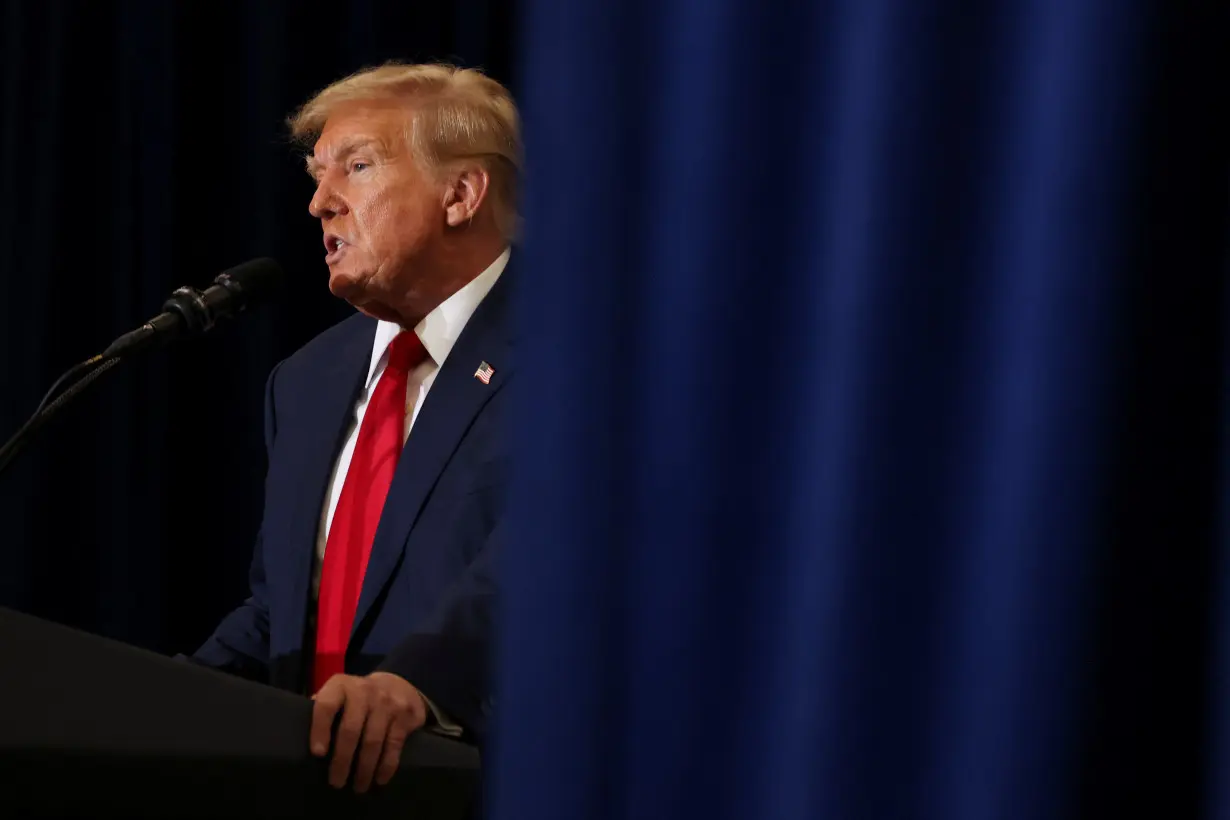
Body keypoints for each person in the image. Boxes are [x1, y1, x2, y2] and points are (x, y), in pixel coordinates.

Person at [188, 62, 520, 795]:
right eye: (316, 175)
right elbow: (279, 608)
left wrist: (415, 684)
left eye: (357, 167)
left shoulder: (577, 355)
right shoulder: (305, 381)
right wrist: (157, 702)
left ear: (461, 194)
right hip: (308, 785)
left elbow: (546, 560)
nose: (318, 204)